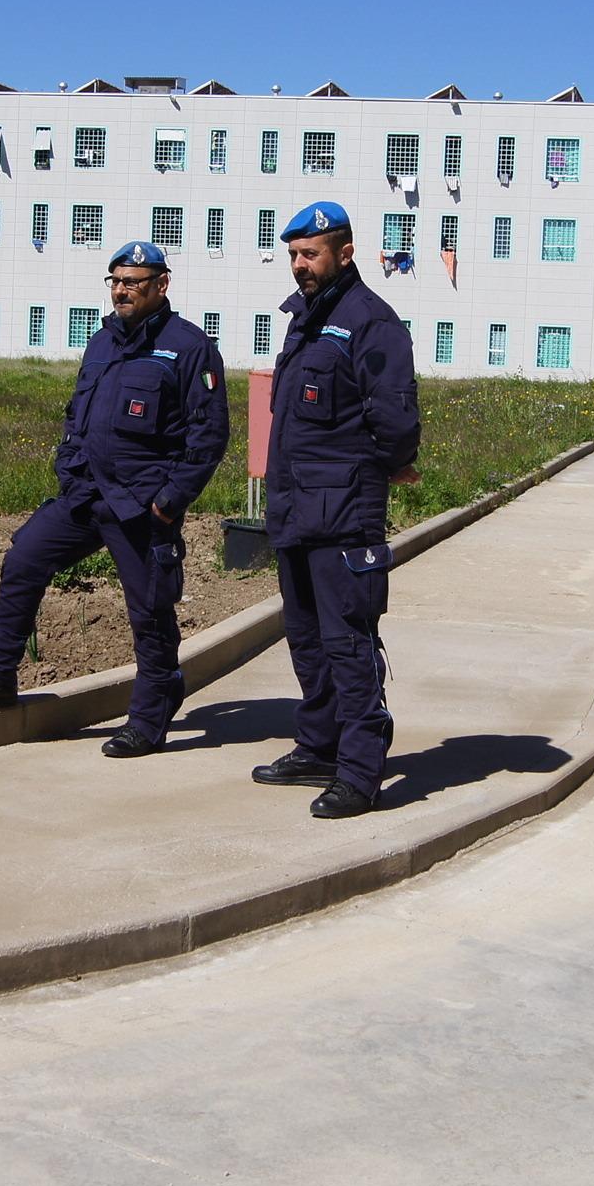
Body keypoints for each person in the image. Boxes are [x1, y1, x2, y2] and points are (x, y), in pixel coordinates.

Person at [0, 241, 230, 756]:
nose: (121, 291)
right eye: (115, 281)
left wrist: (170, 500)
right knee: (25, 559)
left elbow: (208, 436)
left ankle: (149, 718)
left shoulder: (189, 347)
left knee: (149, 611)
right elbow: (78, 414)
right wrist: (68, 463)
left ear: (161, 285)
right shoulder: (102, 341)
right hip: (86, 494)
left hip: (140, 505)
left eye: (132, 282)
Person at [249, 202, 422, 818]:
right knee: (305, 638)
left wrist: (383, 464)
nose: (300, 265)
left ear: (344, 253)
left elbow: (395, 417)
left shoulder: (371, 321)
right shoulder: (303, 320)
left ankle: (360, 771)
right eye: (294, 254)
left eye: (311, 253)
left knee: (348, 641)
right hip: (295, 506)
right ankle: (320, 748)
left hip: (346, 510)